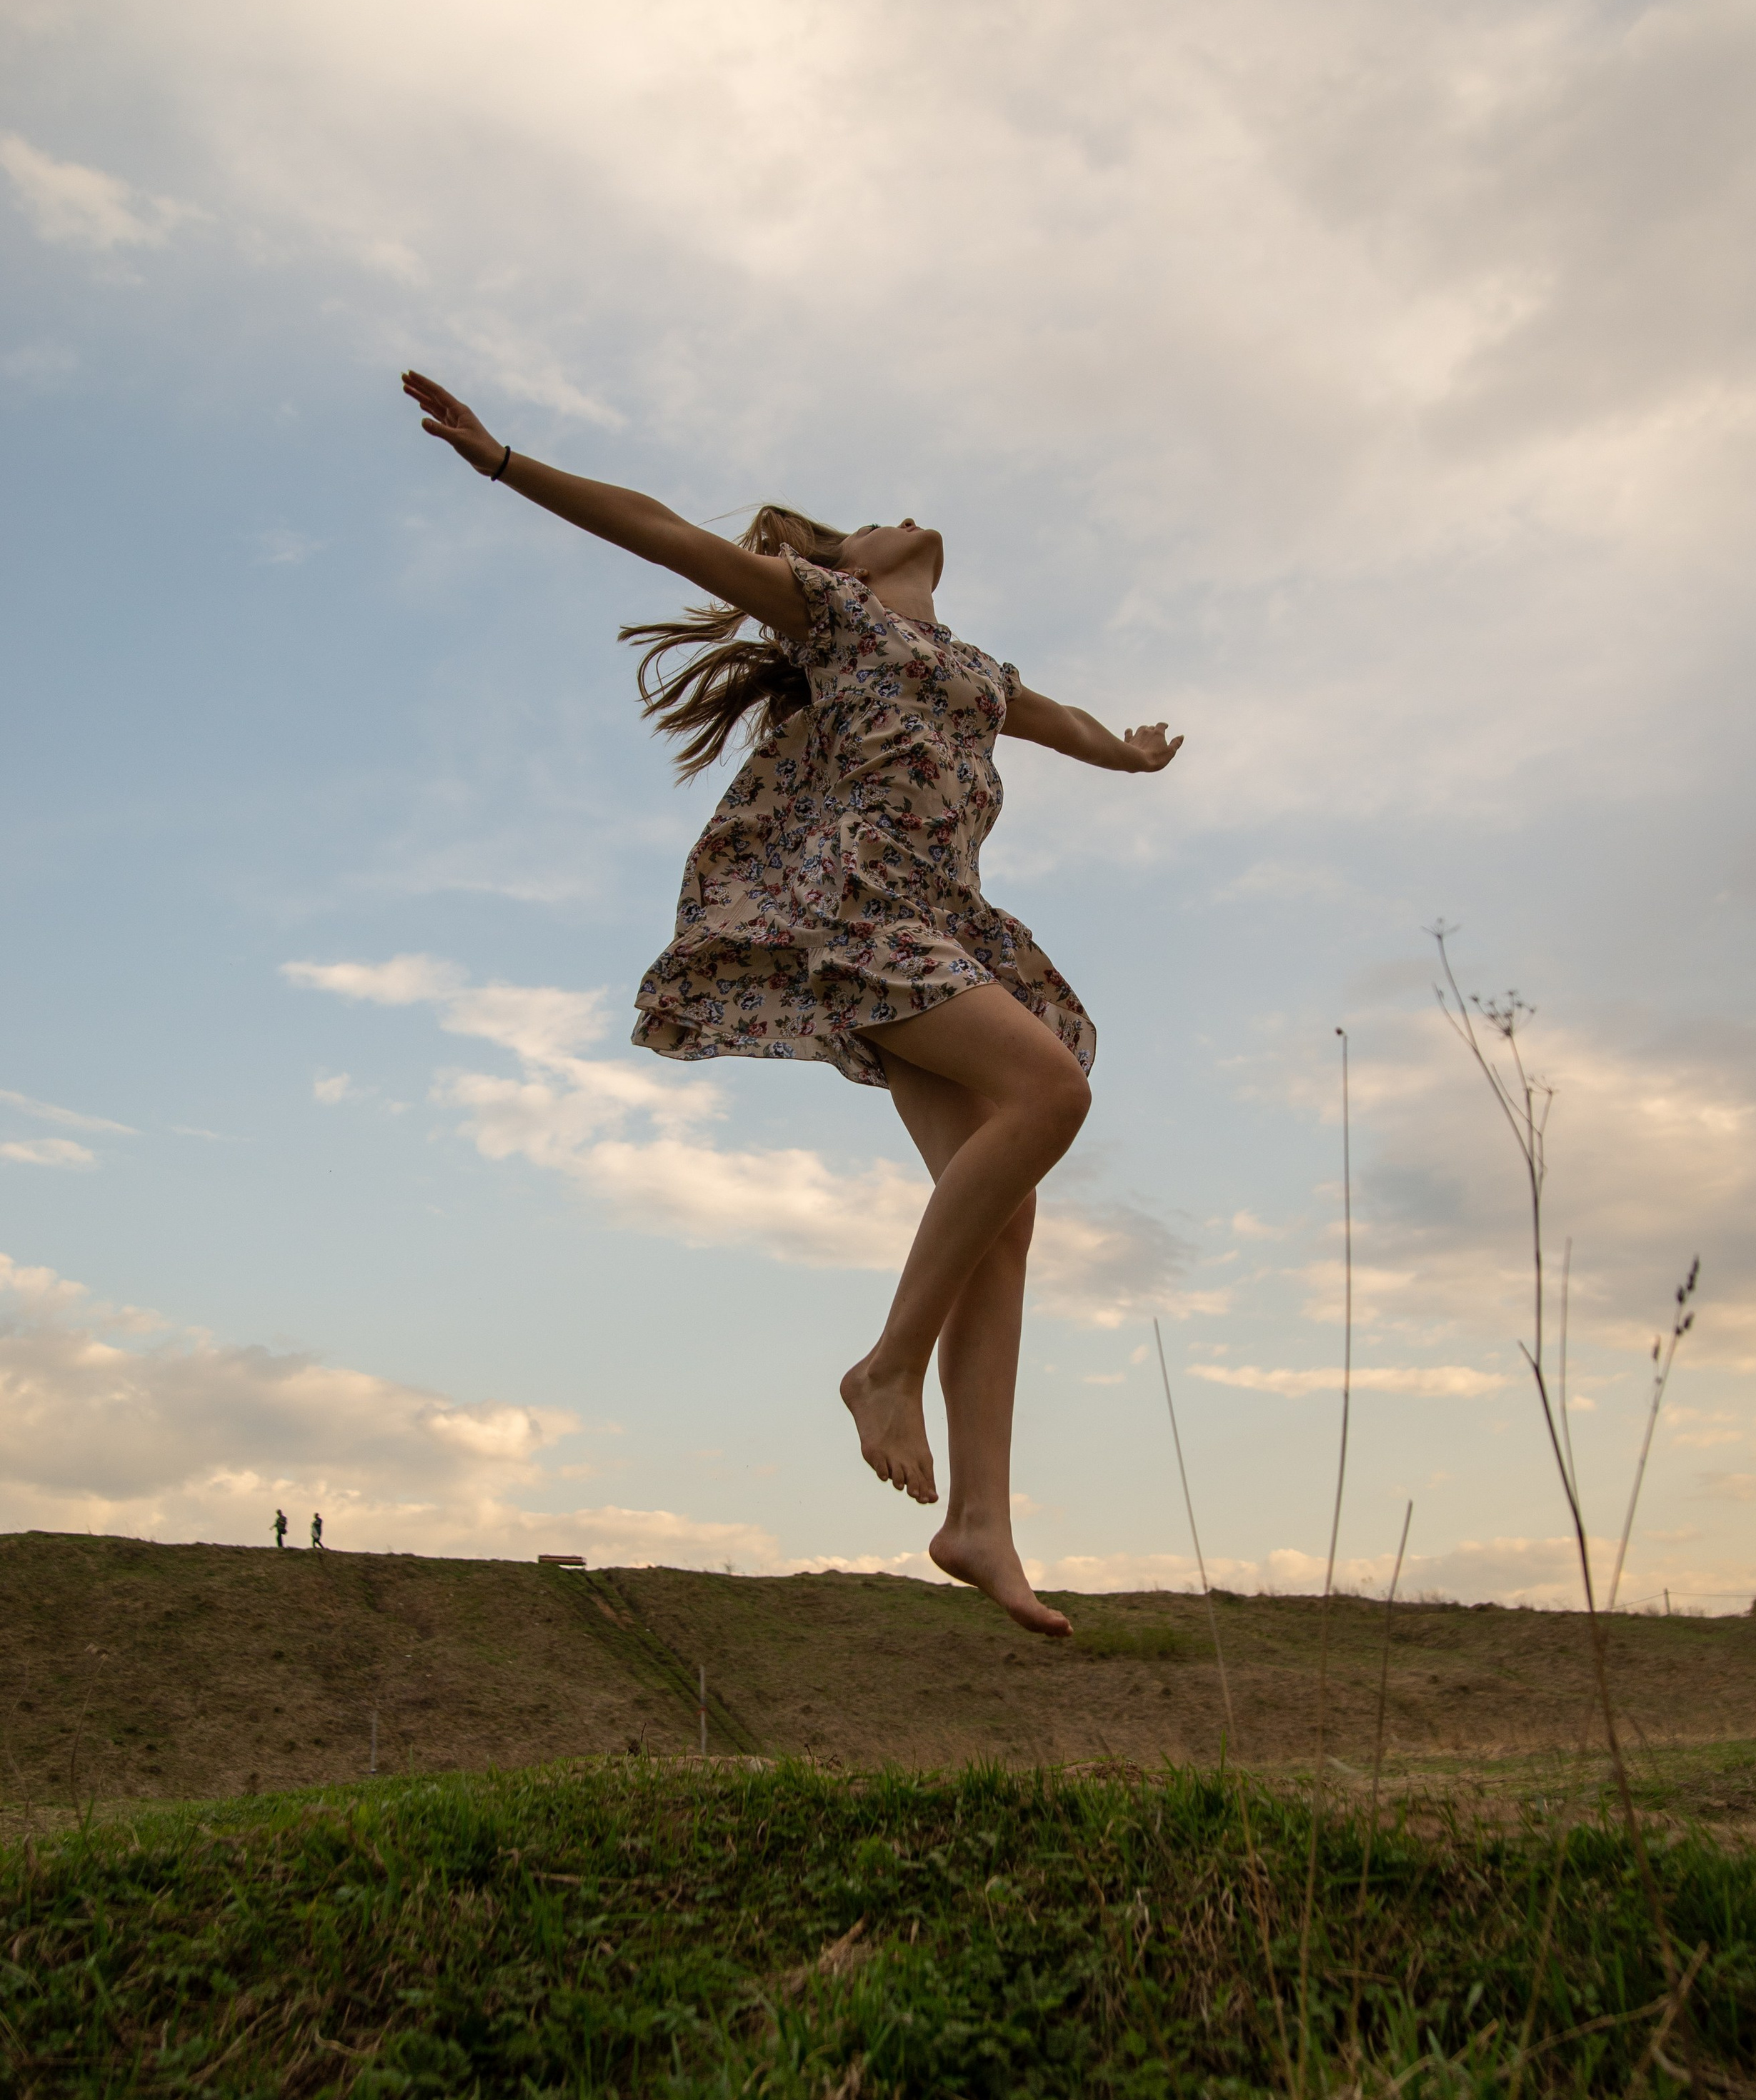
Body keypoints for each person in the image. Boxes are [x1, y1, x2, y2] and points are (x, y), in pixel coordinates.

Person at [401, 374, 1182, 1637]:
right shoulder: (836, 615)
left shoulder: (977, 672)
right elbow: (662, 530)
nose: (896, 517)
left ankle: (980, 1521)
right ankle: (886, 1368)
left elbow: (1066, 722)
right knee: (1051, 1090)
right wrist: (504, 462)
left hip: (943, 924)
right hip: (863, 909)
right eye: (865, 523)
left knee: (1005, 1213)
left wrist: (1127, 754)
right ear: (846, 569)